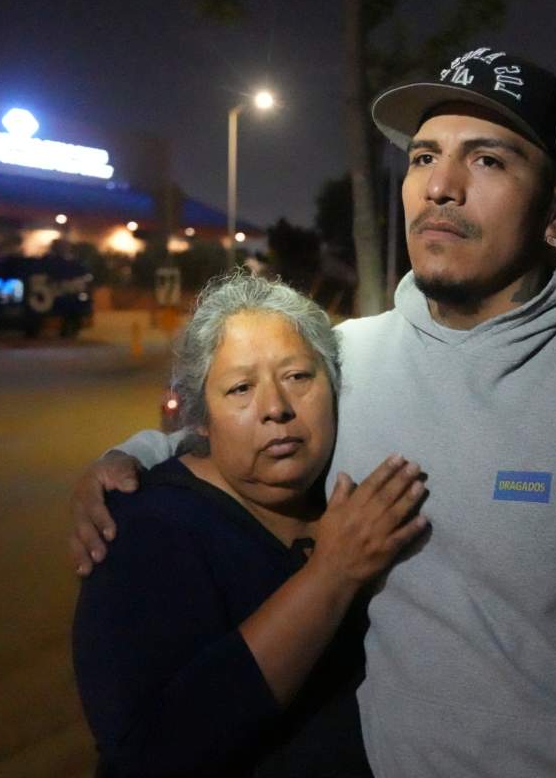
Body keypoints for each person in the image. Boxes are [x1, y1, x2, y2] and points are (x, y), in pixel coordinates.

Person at [71, 47, 556, 775]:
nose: (441, 188)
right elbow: (247, 428)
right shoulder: (350, 363)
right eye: (424, 158)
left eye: (487, 160)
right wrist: (131, 460)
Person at [72, 272, 428, 777]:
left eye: (299, 377)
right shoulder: (147, 530)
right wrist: (329, 576)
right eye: (240, 388)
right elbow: (144, 753)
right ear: (200, 417)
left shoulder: (341, 493)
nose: (276, 409)